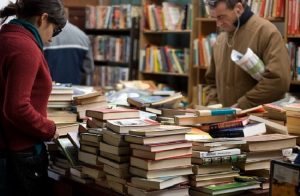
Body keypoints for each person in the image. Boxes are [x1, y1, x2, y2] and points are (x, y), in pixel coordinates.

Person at [0, 0, 66, 195]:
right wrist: (48, 129)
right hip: (18, 154)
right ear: (43, 18)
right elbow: (17, 108)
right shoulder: (25, 47)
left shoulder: (6, 38)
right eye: (55, 29)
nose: (52, 38)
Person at [205, 0, 291, 109]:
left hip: (258, 120)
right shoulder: (220, 40)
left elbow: (278, 82)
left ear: (239, 8)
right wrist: (213, 104)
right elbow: (211, 81)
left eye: (221, 17)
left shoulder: (266, 32)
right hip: (224, 119)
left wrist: (243, 105)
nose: (218, 24)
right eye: (214, 18)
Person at [44, 21, 94, 85]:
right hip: (74, 89)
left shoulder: (44, 36)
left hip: (51, 90)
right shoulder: (83, 36)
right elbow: (89, 68)